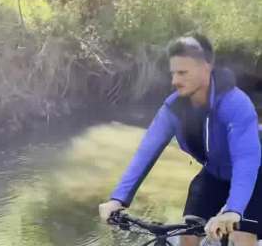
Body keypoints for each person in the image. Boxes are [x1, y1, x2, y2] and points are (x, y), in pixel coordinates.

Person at [98, 34, 262, 246]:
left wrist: (233, 210)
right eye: (173, 73)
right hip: (214, 174)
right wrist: (117, 199)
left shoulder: (235, 104)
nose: (175, 81)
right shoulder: (173, 108)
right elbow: (146, 152)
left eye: (183, 73)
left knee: (242, 236)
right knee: (188, 234)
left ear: (205, 69)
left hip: (255, 174)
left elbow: (246, 161)